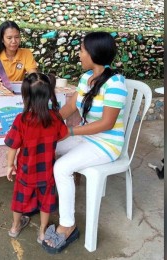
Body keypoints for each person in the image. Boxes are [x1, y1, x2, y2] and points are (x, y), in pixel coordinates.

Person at [42, 32, 128, 254]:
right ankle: (44, 197)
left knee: (61, 167)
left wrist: (70, 131)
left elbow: (107, 123)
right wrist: (47, 125)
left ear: (94, 53)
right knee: (46, 146)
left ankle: (68, 225)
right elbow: (70, 107)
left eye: (82, 50)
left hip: (106, 143)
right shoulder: (85, 78)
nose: (79, 54)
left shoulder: (116, 83)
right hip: (87, 137)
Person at [4, 73, 68, 244]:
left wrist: (10, 165)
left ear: (26, 97)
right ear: (48, 94)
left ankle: (15, 227)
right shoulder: (55, 117)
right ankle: (42, 233)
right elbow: (62, 135)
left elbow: (13, 146)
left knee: (20, 200)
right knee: (46, 202)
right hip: (47, 171)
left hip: (26, 171)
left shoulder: (22, 120)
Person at [0, 21, 37, 86]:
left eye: (17, 37)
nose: (14, 41)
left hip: (17, 93)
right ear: (2, 39)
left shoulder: (26, 53)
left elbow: (33, 75)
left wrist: (32, 80)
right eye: (9, 38)